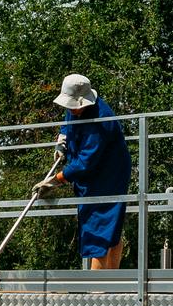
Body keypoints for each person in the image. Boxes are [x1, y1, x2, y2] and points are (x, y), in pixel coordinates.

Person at [34, 72, 131, 270]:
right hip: (91, 177)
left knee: (100, 230)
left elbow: (86, 162)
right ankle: (111, 284)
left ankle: (99, 291)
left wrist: (55, 180)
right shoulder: (76, 108)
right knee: (106, 230)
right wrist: (62, 140)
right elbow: (68, 119)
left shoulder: (101, 120)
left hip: (107, 178)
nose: (70, 109)